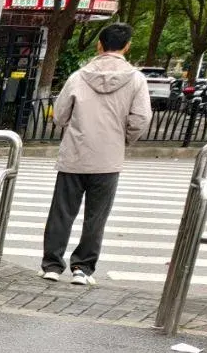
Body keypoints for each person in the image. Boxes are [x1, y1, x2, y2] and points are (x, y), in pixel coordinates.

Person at [41, 21, 150, 285]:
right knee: (96, 216)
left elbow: (60, 115)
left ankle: (52, 266)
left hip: (75, 154)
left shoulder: (78, 76)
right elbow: (141, 118)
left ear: (99, 44)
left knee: (62, 212)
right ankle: (83, 268)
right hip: (108, 158)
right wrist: (123, 138)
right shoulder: (136, 79)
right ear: (127, 46)